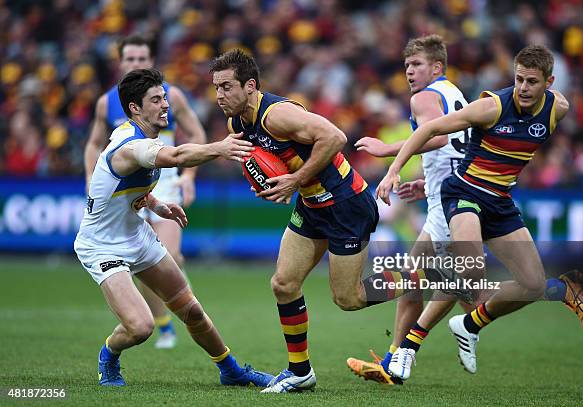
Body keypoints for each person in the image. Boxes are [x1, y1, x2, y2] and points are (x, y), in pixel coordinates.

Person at [209, 49, 461, 393]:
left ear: (250, 86)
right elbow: (259, 160)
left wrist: (295, 180)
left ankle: (436, 274)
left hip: (346, 203)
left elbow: (335, 137)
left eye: (226, 87)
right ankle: (300, 372)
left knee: (349, 298)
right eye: (216, 88)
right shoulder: (237, 123)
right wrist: (265, 179)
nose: (219, 96)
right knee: (283, 284)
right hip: (312, 205)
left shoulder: (277, 115)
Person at [376, 44, 583, 380]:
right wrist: (394, 169)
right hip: (463, 192)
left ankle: (469, 324)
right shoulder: (491, 106)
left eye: (532, 82)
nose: (522, 88)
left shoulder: (558, 108)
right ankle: (407, 347)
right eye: (518, 79)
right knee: (469, 271)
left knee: (532, 285)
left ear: (549, 82)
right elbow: (430, 130)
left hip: (500, 200)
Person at [74, 68, 272, 387]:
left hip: (136, 236)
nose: (165, 104)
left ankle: (231, 370)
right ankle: (108, 355)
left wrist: (155, 204)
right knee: (140, 327)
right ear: (135, 108)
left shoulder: (139, 137)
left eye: (164, 97)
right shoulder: (131, 146)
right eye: (156, 99)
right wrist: (218, 149)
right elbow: (177, 155)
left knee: (191, 310)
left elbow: (124, 184)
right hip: (101, 246)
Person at [347, 34, 481, 385]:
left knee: (465, 290)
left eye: (417, 64)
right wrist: (428, 183)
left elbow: (436, 137)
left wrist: (386, 152)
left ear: (436, 66)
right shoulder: (454, 93)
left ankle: (557, 289)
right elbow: (456, 144)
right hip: (450, 193)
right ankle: (394, 359)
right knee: (413, 279)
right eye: (407, 65)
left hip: (453, 201)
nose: (409, 71)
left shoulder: (423, 97)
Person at [84, 34, 206, 348]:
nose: (136, 63)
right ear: (121, 63)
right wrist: (92, 180)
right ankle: (163, 324)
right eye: (130, 59)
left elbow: (196, 133)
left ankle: (169, 314)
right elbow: (94, 145)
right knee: (137, 255)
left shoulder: (171, 96)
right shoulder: (106, 102)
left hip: (163, 181)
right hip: (125, 188)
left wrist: (189, 176)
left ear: (150, 62)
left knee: (171, 256)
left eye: (142, 59)